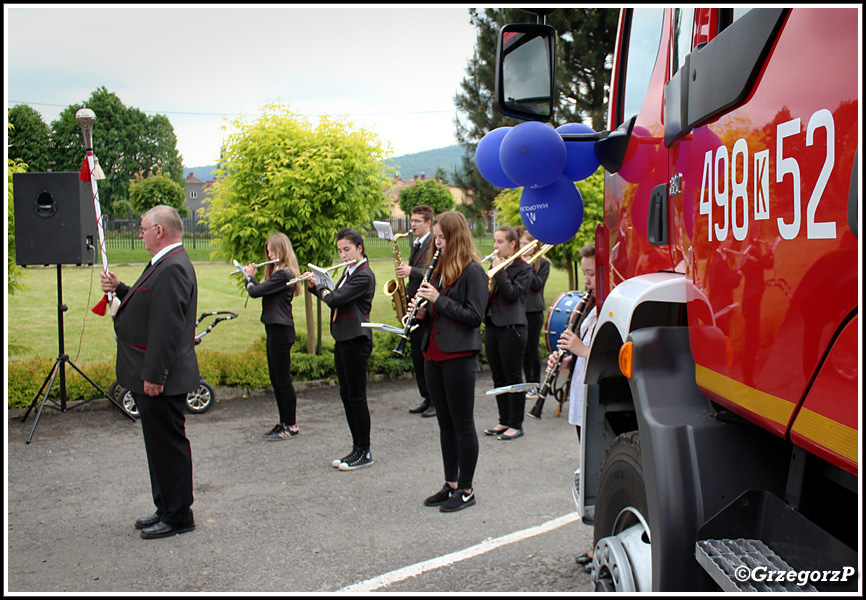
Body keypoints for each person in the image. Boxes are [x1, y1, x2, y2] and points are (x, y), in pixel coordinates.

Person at [100, 205, 198, 540]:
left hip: (162, 379)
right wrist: (122, 288)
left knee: (168, 446)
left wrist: (154, 375)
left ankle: (179, 514)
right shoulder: (164, 264)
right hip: (155, 375)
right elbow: (149, 306)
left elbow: (167, 327)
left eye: (142, 228)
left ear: (160, 230)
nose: (138, 233)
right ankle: (166, 507)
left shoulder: (171, 268)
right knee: (157, 446)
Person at [411, 210, 488, 512]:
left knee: (463, 423)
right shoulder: (438, 269)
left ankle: (466, 489)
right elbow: (438, 311)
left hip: (458, 355)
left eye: (442, 238)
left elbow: (474, 316)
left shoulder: (473, 272)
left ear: (455, 237)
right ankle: (451, 483)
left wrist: (437, 300)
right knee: (445, 424)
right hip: (433, 352)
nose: (438, 243)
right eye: (437, 238)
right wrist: (422, 312)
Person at [305, 228, 376, 471]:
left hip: (357, 339)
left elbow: (335, 299)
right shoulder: (348, 271)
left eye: (347, 250)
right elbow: (335, 301)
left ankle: (364, 450)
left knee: (356, 397)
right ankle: (356, 448)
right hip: (344, 338)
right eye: (340, 251)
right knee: (346, 395)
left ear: (359, 248)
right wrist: (316, 287)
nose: (343, 255)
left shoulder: (363, 275)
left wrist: (320, 289)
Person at [547, 242, 597, 571]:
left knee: (601, 474)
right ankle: (598, 541)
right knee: (593, 474)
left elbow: (615, 358)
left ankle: (600, 545)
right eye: (587, 273)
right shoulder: (590, 307)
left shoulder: (611, 305)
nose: (588, 280)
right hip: (582, 399)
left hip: (599, 402)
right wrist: (565, 361)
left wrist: (580, 349)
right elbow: (581, 356)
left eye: (593, 273)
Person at [243, 232, 303, 441]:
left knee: (283, 380)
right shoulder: (276, 271)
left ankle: (292, 425)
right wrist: (251, 280)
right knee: (276, 379)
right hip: (274, 328)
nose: (268, 254)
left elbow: (255, 291)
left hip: (281, 329)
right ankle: (283, 421)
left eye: (272, 250)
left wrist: (249, 276)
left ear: (281, 250)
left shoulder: (284, 274)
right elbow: (258, 290)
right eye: (267, 250)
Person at [483, 225, 532, 441]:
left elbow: (512, 294)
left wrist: (500, 271)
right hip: (493, 324)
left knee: (513, 377)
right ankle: (503, 420)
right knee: (498, 376)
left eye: (500, 242)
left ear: (512, 244)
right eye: (494, 241)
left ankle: (516, 423)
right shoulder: (495, 264)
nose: (495, 246)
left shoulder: (524, 268)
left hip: (512, 328)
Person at [395, 205, 435, 417]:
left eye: (417, 221)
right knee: (417, 356)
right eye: (412, 221)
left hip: (425, 304)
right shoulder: (417, 243)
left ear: (428, 223)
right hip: (413, 301)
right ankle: (426, 397)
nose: (413, 225)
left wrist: (412, 271)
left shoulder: (432, 243)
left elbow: (433, 271)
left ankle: (434, 400)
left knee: (424, 353)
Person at [517, 228, 550, 387]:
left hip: (534, 310)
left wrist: (527, 266)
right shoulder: (518, 261)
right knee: (522, 348)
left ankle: (535, 382)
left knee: (532, 347)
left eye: (526, 244)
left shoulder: (543, 263)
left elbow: (537, 285)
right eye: (521, 243)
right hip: (520, 309)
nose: (522, 247)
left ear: (535, 246)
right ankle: (527, 382)